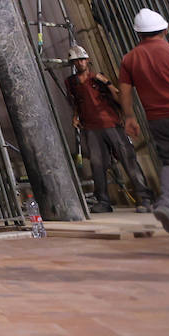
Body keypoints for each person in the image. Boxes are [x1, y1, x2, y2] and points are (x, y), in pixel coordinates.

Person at [120, 8, 169, 238]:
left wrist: (130, 117)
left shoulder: (129, 59)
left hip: (157, 121)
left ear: (138, 34)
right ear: (164, 29)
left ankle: (168, 206)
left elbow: (124, 91)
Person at [63, 44, 153, 213]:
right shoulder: (71, 83)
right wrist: (75, 116)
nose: (80, 63)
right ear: (73, 64)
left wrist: (108, 83)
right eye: (76, 61)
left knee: (128, 160)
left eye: (82, 59)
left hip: (112, 124)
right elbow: (76, 101)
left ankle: (145, 198)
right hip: (91, 128)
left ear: (88, 60)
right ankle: (103, 201)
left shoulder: (98, 78)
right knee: (98, 165)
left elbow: (120, 99)